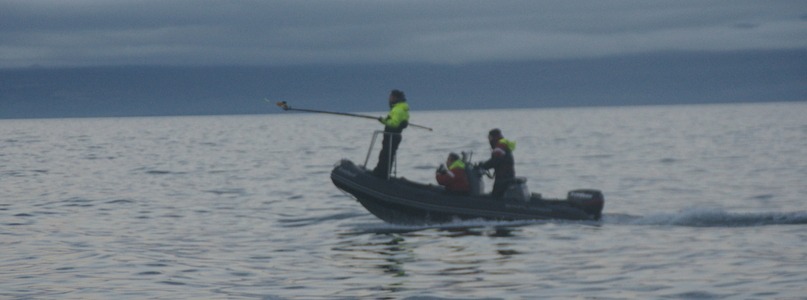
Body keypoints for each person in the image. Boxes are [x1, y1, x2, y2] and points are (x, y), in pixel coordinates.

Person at [372, 89, 409, 178]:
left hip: (392, 136)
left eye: (391, 97)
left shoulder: (397, 109)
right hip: (393, 136)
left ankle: (382, 173)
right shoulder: (401, 108)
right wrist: (385, 121)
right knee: (387, 154)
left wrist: (384, 121)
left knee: (386, 154)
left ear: (395, 98)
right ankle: (382, 172)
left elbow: (394, 124)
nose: (389, 99)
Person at [479, 128, 516, 198]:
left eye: (489, 138)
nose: (489, 140)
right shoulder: (503, 144)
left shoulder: (500, 146)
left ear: (494, 137)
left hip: (503, 179)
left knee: (495, 197)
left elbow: (495, 161)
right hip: (507, 176)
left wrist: (483, 166)